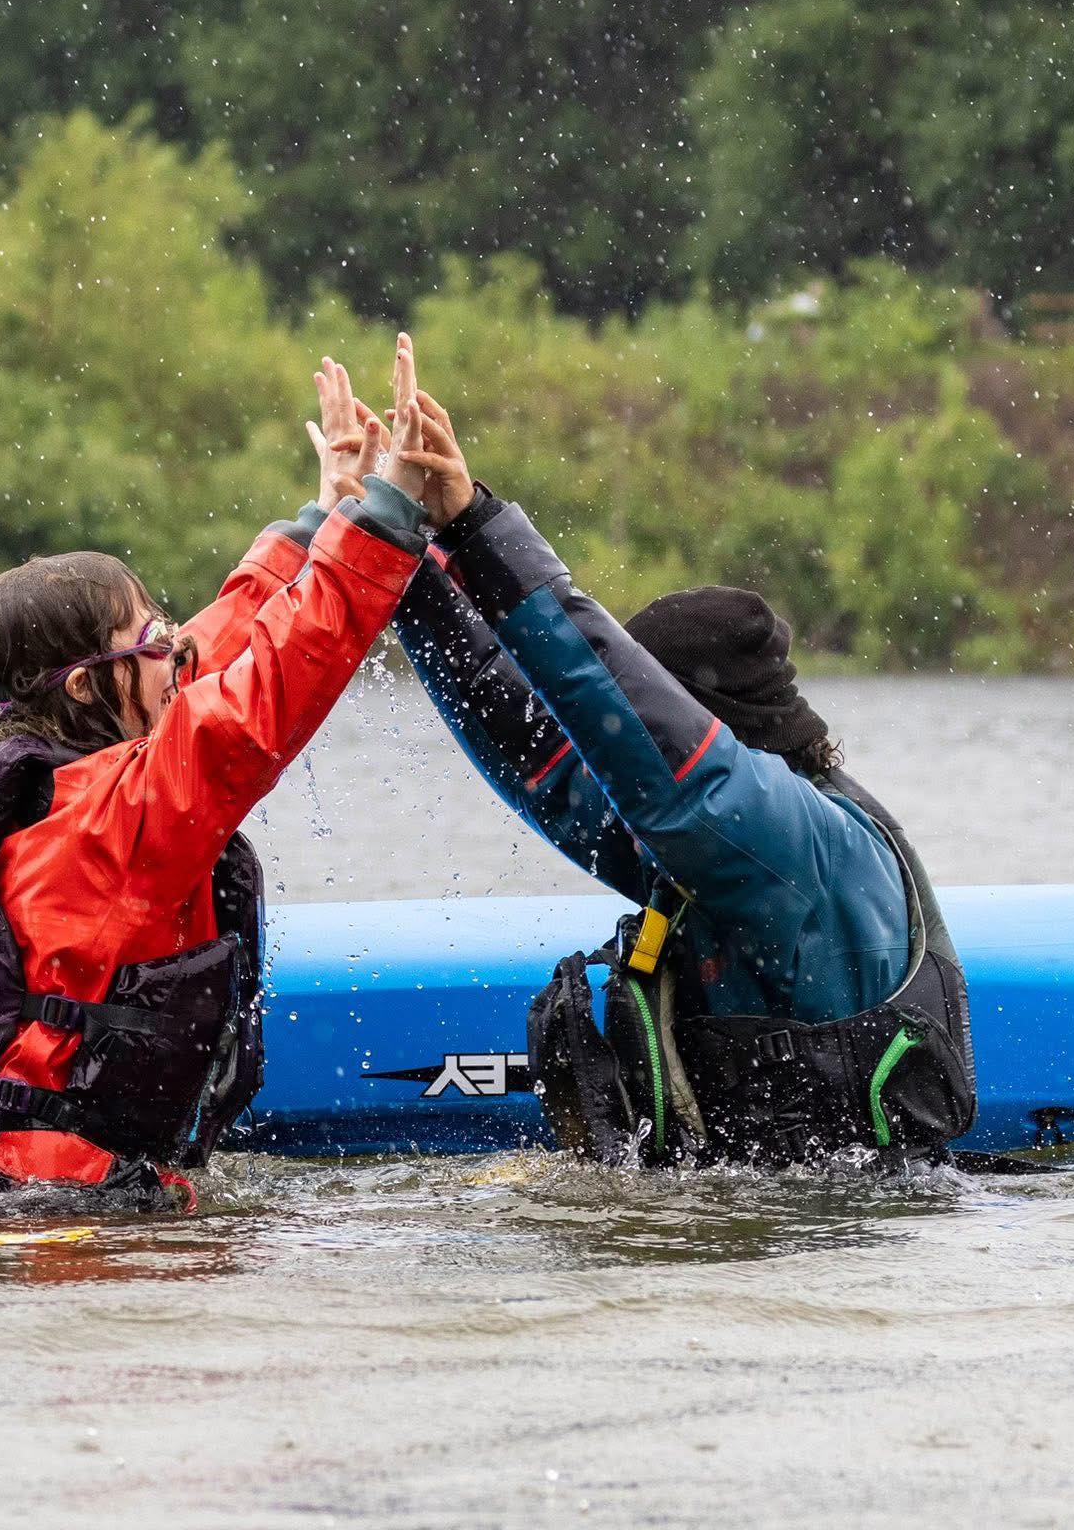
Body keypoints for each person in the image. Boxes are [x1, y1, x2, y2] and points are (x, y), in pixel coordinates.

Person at [0, 341, 460, 1206]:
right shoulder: (110, 814)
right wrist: (388, 520)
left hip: (4, 1181)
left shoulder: (50, 766)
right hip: (58, 1216)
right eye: (145, 637)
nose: (173, 645)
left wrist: (323, 520)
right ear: (88, 683)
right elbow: (264, 696)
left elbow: (207, 653)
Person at [384, 343, 976, 1169]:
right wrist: (393, 551)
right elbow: (539, 753)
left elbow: (617, 710)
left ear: (703, 727)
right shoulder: (713, 853)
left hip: (840, 1250)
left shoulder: (797, 845)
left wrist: (478, 526)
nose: (621, 755)